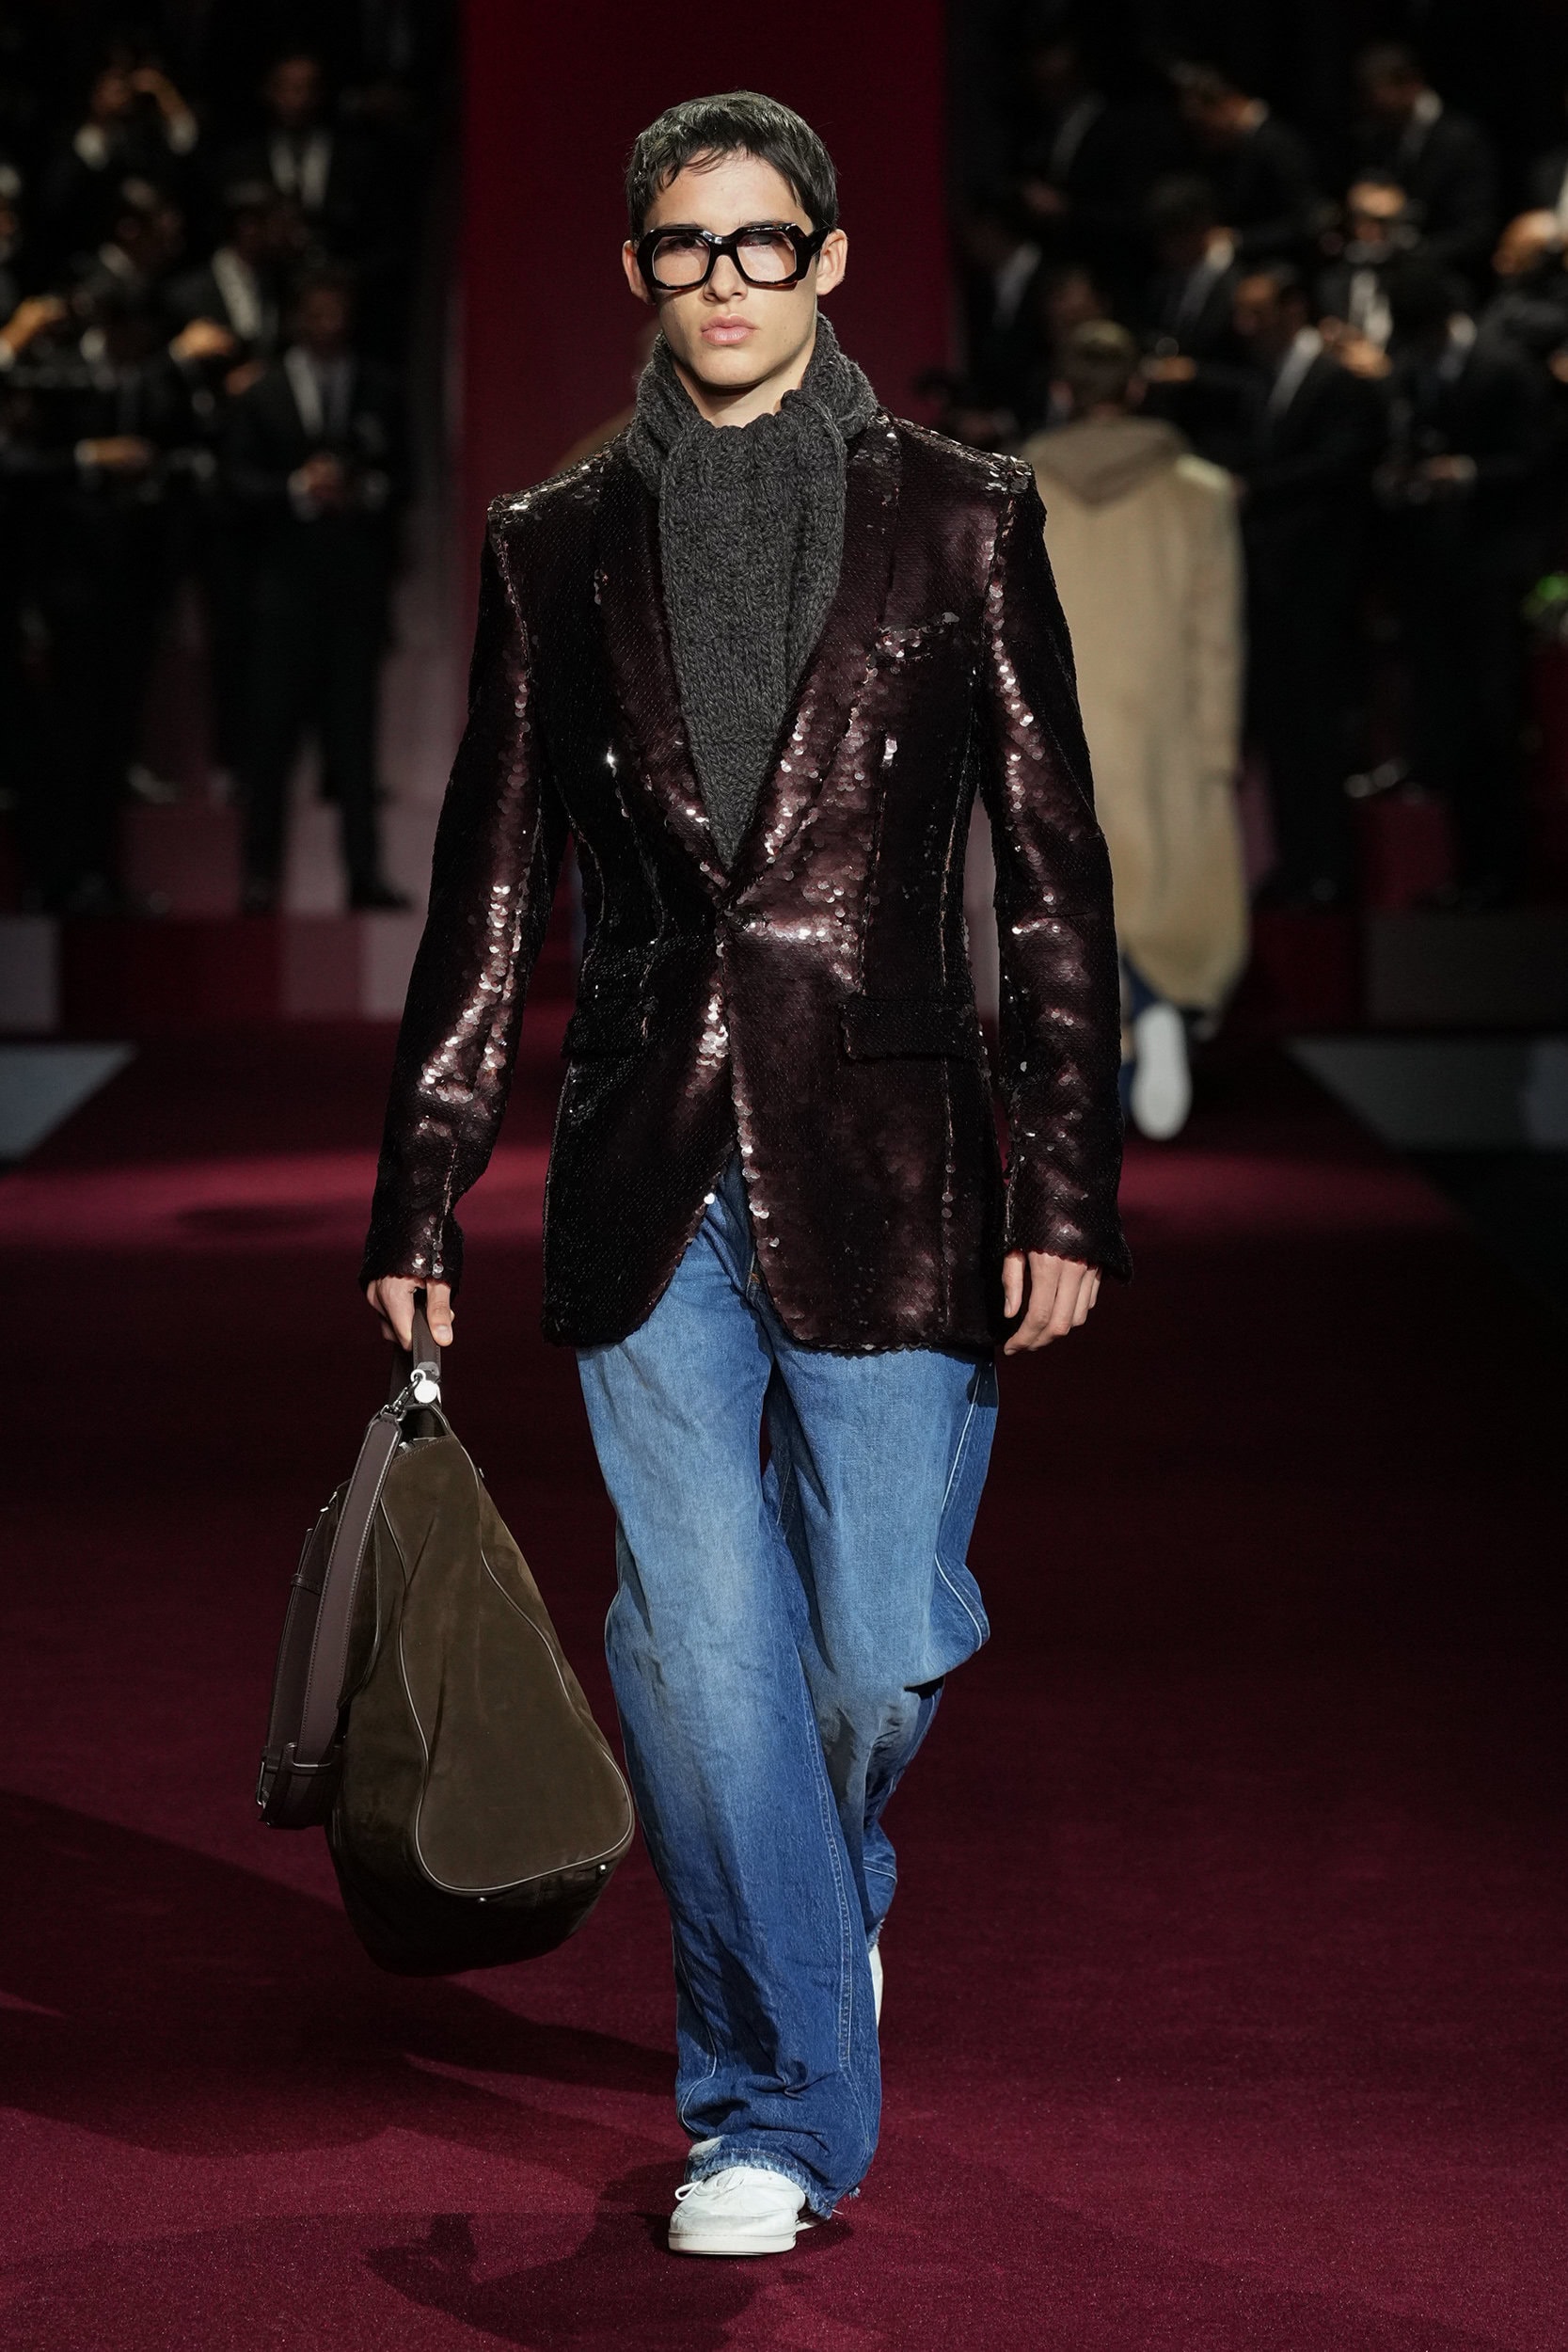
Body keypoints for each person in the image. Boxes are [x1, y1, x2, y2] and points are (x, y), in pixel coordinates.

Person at [360, 89, 1127, 2256]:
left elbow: (1048, 874)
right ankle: (766, 2104)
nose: (723, 279)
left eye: (760, 242)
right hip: (643, 1166)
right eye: (685, 245)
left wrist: (1066, 1180)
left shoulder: (964, 519)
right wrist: (421, 1182)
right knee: (700, 1648)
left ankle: (815, 1885)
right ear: (639, 270)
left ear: (827, 261)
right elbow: (486, 889)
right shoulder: (552, 542)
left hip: (890, 1151)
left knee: (872, 1645)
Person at [1025, 322, 1245, 1141]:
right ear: (1138, 388)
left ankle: (1107, 1061)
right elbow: (1216, 634)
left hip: (1056, 723)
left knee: (1067, 894)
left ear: (1060, 391)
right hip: (1164, 727)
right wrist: (1216, 748)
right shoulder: (1200, 491)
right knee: (1165, 891)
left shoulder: (1014, 484)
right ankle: (1156, 1005)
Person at [224, 265, 408, 912]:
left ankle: (363, 874)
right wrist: (298, 489)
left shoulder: (381, 389)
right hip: (282, 597)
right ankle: (259, 877)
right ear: (297, 317)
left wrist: (361, 491)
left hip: (354, 595)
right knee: (270, 743)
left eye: (338, 311)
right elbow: (235, 484)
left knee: (356, 745)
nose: (329, 324)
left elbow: (404, 479)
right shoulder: (262, 393)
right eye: (317, 312)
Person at [1379, 259, 1551, 903]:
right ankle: (1469, 869)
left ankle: (1507, 871)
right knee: (1448, 722)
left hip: (1493, 569)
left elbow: (1538, 460)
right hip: (1436, 574)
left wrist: (1469, 472)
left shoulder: (1504, 367)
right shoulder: (1411, 371)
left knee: (1494, 719)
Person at [1226, 262, 1386, 905]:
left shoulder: (1338, 381)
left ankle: (1330, 869)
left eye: (1257, 312)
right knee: (1284, 733)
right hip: (1272, 590)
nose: (1244, 326)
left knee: (1320, 733)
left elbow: (1341, 465)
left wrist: (1255, 489)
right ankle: (1296, 864)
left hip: (1321, 588)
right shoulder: (1262, 383)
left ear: (1293, 308)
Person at [1353, 44, 1497, 293]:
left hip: (1446, 277)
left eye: (1383, 98)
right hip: (1389, 266)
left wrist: (1415, 253)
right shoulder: (1382, 133)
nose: (1375, 108)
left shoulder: (1460, 140)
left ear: (1412, 85)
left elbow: (1478, 230)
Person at [1172, 62, 1322, 264]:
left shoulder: (1276, 143)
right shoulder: (1241, 148)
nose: (1202, 137)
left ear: (1225, 106)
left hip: (1287, 263)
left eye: (1202, 125)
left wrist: (1240, 240)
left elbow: (1306, 220)